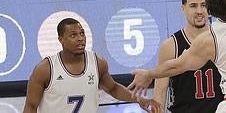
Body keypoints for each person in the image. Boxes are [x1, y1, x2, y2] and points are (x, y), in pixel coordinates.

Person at [23, 18, 160, 113]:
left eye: (82, 33)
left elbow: (112, 88)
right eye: (73, 35)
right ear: (61, 40)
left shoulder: (97, 62)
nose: (80, 38)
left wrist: (139, 100)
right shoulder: (45, 69)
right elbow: (30, 106)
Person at [152, 0, 223, 112]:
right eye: (193, 6)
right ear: (183, 9)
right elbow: (160, 92)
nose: (199, 11)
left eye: (203, 5)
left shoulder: (222, 38)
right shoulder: (171, 45)